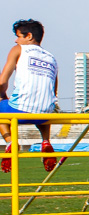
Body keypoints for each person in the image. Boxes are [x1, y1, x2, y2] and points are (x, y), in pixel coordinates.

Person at [0, 19, 59, 173]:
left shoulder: (18, 49)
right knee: (44, 105)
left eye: (18, 36)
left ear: (29, 36)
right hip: (44, 115)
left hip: (19, 110)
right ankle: (45, 141)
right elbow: (53, 92)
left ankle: (10, 142)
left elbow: (2, 81)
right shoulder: (52, 58)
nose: (16, 39)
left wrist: (2, 96)